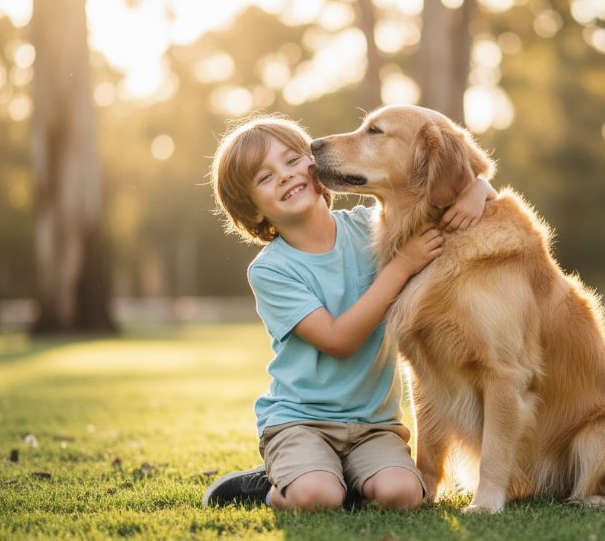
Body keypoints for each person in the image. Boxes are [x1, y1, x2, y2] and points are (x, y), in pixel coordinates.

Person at [203, 115, 495, 511]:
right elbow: (339, 341)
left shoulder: (370, 227)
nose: (286, 177)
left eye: (292, 161)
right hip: (300, 422)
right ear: (253, 212)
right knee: (318, 497)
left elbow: (438, 198)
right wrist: (400, 267)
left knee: (404, 495)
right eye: (265, 177)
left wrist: (479, 188)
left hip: (373, 425)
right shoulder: (271, 270)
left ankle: (336, 477)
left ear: (319, 168)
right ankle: (268, 486)